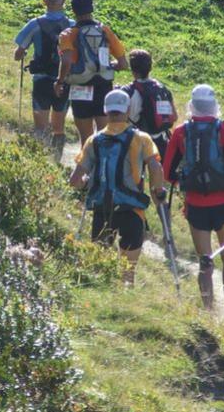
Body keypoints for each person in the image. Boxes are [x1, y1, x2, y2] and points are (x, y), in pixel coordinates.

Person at [69, 89, 166, 285]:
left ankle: (102, 299)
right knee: (128, 273)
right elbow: (155, 166)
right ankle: (126, 296)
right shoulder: (141, 138)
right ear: (127, 110)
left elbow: (75, 180)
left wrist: (86, 185)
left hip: (102, 209)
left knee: (98, 268)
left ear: (106, 110)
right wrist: (158, 191)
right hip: (132, 209)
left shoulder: (93, 140)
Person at [164, 85, 224, 312]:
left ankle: (208, 310)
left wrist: (185, 185)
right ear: (214, 105)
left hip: (195, 206)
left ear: (192, 105)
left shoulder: (180, 132)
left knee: (204, 261)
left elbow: (167, 171)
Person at [55, 0, 128, 146]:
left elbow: (66, 61)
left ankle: (87, 169)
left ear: (73, 10)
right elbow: (123, 64)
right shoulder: (105, 31)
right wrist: (108, 66)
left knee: (86, 139)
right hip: (103, 85)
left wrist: (60, 82)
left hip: (79, 86)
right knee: (104, 135)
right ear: (92, 8)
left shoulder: (68, 34)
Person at [14, 0, 73, 162]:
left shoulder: (35, 24)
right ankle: (56, 160)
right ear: (63, 1)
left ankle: (39, 162)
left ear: (44, 2)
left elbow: (18, 54)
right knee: (59, 125)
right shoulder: (71, 25)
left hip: (41, 80)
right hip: (64, 81)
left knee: (40, 125)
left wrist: (21, 52)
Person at [122, 49, 177, 164]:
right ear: (150, 68)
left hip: (138, 139)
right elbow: (174, 117)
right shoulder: (162, 89)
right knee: (159, 173)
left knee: (137, 175)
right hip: (161, 140)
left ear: (132, 70)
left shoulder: (130, 91)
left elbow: (125, 118)